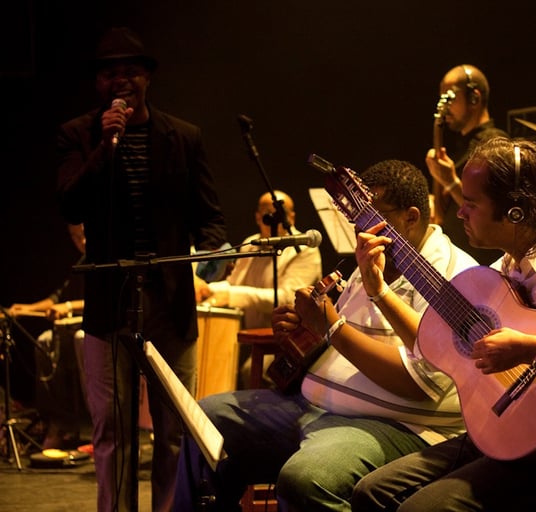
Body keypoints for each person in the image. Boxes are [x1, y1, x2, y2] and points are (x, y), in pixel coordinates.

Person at [351, 137, 536, 511]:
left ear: (514, 213)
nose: (460, 213)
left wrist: (532, 349)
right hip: (506, 436)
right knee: (371, 493)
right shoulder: (507, 268)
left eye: (471, 204)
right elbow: (435, 344)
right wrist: (379, 290)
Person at [173, 159, 478, 511]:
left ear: (410, 217)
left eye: (372, 218)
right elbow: (339, 340)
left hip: (394, 423)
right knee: (206, 418)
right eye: (358, 220)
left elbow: (420, 385)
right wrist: (303, 331)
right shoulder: (376, 256)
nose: (361, 232)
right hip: (314, 404)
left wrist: (332, 326)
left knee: (307, 478)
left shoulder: (455, 276)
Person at [56, 27, 228, 512]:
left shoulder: (184, 137)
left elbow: (211, 217)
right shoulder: (77, 135)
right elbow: (70, 203)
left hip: (171, 305)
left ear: (148, 78)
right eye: (110, 73)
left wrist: (203, 262)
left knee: (174, 429)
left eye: (130, 71)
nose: (121, 80)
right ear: (98, 83)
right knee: (112, 430)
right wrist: (106, 144)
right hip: (108, 305)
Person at [196, 189, 322, 387]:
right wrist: (206, 288)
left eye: (281, 214)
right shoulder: (251, 244)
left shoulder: (305, 249)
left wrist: (228, 295)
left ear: (291, 217)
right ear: (258, 217)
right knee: (207, 359)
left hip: (288, 339)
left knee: (252, 370)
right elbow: (233, 285)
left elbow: (287, 299)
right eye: (268, 214)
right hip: (249, 335)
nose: (274, 219)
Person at [8, 223, 87, 449]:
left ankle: (97, 419)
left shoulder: (105, 262)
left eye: (83, 234)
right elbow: (56, 299)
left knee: (80, 338)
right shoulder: (81, 263)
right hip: (70, 331)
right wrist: (25, 309)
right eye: (74, 237)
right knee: (44, 341)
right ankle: (59, 422)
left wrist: (69, 306)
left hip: (97, 331)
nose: (81, 241)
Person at [426, 64, 509, 265]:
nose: (445, 107)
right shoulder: (461, 147)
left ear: (474, 98)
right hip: (457, 260)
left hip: (482, 264)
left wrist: (451, 182)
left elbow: (493, 212)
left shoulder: (495, 144)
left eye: (450, 97)